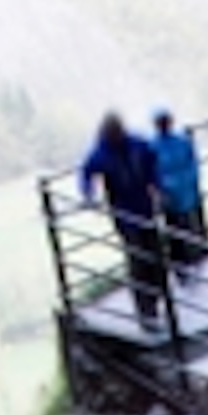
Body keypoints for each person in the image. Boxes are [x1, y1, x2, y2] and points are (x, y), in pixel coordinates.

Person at [77, 109, 169, 331]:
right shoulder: (102, 151)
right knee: (138, 258)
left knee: (154, 254)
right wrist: (89, 194)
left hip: (144, 207)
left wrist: (157, 185)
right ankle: (147, 310)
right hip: (125, 213)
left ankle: (157, 300)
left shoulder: (134, 143)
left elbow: (151, 160)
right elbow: (87, 172)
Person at [148, 109, 208, 265]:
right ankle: (189, 255)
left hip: (178, 191)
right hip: (178, 192)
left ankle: (190, 255)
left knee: (182, 226)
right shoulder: (161, 145)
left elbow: (191, 162)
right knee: (182, 226)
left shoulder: (158, 146)